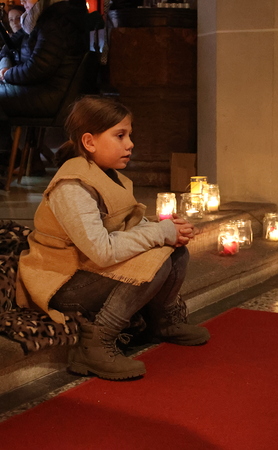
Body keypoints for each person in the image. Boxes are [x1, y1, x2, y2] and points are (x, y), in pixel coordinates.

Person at [16, 95, 210, 381]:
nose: (130, 144)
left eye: (129, 135)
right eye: (120, 136)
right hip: (62, 281)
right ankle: (96, 342)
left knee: (175, 251)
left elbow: (125, 226)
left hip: (87, 269)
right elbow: (103, 251)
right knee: (155, 261)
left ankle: (162, 321)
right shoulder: (72, 186)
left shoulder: (106, 175)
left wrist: (169, 231)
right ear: (89, 142)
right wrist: (160, 233)